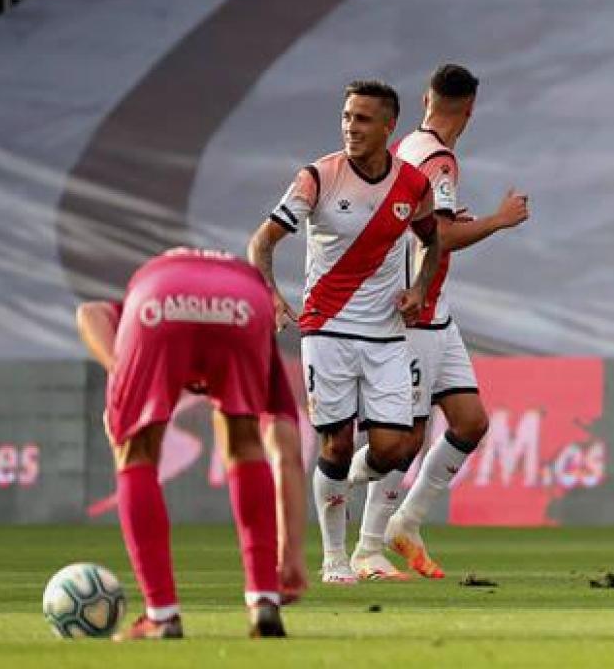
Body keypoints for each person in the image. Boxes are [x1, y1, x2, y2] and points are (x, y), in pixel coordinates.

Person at [247, 80, 442, 584]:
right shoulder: (319, 176)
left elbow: (432, 243)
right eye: (347, 117)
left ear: (388, 126)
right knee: (333, 444)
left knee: (397, 447)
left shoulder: (412, 186)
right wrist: (270, 293)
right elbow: (262, 242)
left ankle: (346, 482)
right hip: (327, 330)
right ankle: (335, 558)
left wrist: (419, 286)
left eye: (362, 119)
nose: (350, 127)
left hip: (386, 333)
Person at [345, 63, 530, 579]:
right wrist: (498, 220)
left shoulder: (408, 146)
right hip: (413, 311)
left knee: (471, 422)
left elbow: (421, 223)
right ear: (470, 109)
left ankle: (407, 521)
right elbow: (441, 237)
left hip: (434, 311)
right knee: (406, 437)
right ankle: (364, 541)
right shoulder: (440, 162)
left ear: (427, 98)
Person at [79, 247, 290, 639]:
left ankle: (161, 614)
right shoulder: (249, 298)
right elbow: (287, 446)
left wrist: (121, 372)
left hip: (160, 298)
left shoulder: (130, 302)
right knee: (246, 444)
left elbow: (89, 312)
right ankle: (264, 601)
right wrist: (291, 554)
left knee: (137, 452)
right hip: (244, 301)